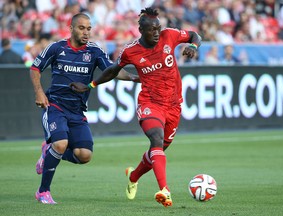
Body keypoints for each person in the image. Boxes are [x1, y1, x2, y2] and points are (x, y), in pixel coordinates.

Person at [70, 7, 201, 207]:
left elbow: (195, 35)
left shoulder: (170, 35)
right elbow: (113, 70)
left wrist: (193, 45)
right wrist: (90, 85)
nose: (157, 32)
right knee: (156, 140)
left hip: (174, 105)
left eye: (158, 28)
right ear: (141, 30)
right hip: (150, 103)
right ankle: (165, 190)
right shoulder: (131, 51)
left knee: (158, 151)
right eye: (152, 30)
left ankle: (133, 176)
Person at [30, 13, 139, 204]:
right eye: (82, 28)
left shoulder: (94, 51)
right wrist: (39, 93)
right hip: (55, 105)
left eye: (89, 28)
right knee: (61, 143)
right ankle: (43, 191)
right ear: (71, 28)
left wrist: (133, 77)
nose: (86, 32)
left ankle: (48, 152)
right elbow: (35, 68)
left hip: (77, 111)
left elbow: (111, 71)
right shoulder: (57, 48)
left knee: (84, 155)